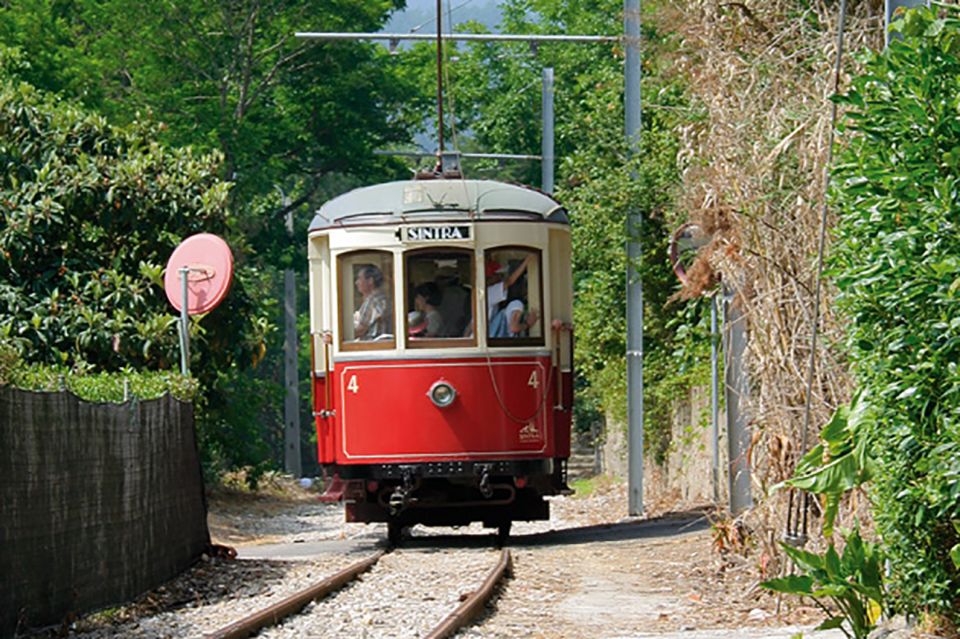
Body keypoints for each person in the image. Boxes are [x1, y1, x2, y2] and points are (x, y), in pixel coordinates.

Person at [488, 257, 539, 338]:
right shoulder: (516, 303)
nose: (501, 278)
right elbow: (514, 328)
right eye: (499, 275)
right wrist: (528, 324)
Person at [353, 264, 391, 340]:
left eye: (359, 279)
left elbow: (361, 330)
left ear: (370, 281)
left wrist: (337, 336)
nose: (356, 283)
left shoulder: (373, 301)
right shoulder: (381, 298)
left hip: (374, 346)